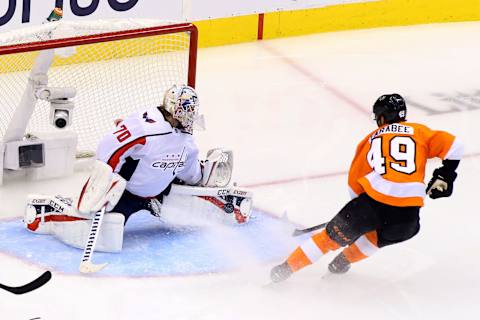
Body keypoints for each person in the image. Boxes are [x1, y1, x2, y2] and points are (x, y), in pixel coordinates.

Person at [24, 84, 248, 252]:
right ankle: (53, 209)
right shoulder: (147, 127)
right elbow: (108, 146)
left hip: (159, 192)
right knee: (107, 231)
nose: (191, 115)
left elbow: (189, 173)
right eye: (188, 110)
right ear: (177, 110)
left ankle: (169, 203)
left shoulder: (186, 140)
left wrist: (203, 175)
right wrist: (105, 180)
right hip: (125, 195)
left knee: (182, 207)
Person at [270, 93, 464, 282]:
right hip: (408, 220)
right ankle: (341, 263)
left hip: (371, 206)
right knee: (375, 239)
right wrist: (446, 175)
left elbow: (355, 183)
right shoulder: (420, 132)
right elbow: (456, 146)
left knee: (328, 239)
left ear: (381, 117)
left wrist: (357, 214)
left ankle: (285, 270)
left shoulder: (370, 139)